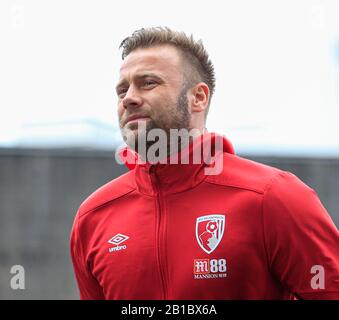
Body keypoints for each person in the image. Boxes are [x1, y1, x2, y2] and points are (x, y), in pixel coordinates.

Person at [70, 27, 339, 300]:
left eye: (148, 82)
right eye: (122, 89)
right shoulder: (92, 217)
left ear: (198, 97)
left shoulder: (272, 197)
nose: (128, 98)